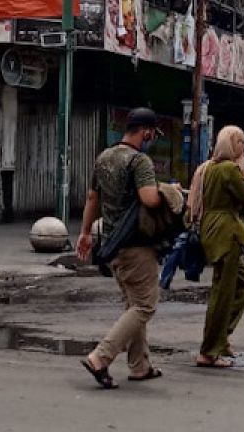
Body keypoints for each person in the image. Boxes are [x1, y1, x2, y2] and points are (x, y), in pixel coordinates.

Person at [76, 107, 165, 389]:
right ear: (146, 131)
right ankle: (100, 357)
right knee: (144, 306)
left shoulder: (104, 157)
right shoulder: (139, 161)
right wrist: (169, 192)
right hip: (137, 244)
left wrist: (85, 233)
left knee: (133, 304)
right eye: (152, 134)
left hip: (112, 243)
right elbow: (150, 200)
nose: (152, 138)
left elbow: (92, 197)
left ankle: (140, 366)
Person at [192, 126, 244, 368]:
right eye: (241, 142)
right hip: (225, 232)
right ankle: (209, 350)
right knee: (223, 293)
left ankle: (219, 339)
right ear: (232, 144)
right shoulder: (229, 169)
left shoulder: (209, 168)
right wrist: (243, 168)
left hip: (214, 228)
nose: (243, 147)